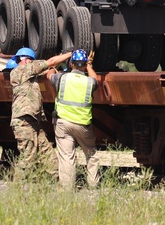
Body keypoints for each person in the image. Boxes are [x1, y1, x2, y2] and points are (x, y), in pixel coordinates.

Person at [9, 46, 72, 178]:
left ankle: (58, 184)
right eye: (32, 60)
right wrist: (71, 54)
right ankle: (17, 188)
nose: (34, 63)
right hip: (24, 122)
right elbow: (51, 62)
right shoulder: (22, 69)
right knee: (28, 158)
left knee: (48, 154)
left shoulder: (29, 74)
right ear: (26, 60)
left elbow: (50, 70)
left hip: (32, 122)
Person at [48, 49, 100, 189]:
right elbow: (96, 79)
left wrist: (55, 66)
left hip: (63, 123)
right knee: (91, 154)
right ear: (84, 65)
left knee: (66, 156)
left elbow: (49, 74)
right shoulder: (90, 82)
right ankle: (93, 185)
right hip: (83, 125)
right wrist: (89, 65)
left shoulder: (61, 78)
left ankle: (67, 188)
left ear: (71, 64)